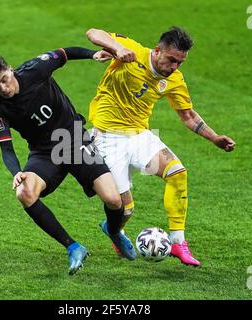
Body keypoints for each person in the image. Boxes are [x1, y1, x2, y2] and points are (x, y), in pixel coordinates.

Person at [0, 47, 137, 275]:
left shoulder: (35, 69)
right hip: (43, 153)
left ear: (11, 70)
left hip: (73, 139)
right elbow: (6, 148)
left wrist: (92, 54)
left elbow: (64, 53)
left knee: (113, 200)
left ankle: (113, 230)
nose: (3, 88)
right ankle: (73, 247)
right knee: (24, 192)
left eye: (4, 79)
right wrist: (16, 172)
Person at [86, 27, 236, 266]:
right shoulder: (133, 52)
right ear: (157, 51)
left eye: (180, 62)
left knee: (178, 173)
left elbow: (187, 115)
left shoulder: (174, 79)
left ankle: (178, 243)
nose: (175, 67)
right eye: (172, 60)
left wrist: (214, 137)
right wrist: (118, 48)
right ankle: (113, 230)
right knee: (124, 210)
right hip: (107, 138)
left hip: (139, 136)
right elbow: (93, 32)